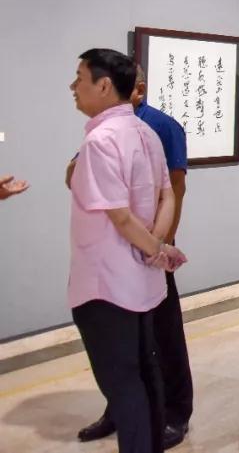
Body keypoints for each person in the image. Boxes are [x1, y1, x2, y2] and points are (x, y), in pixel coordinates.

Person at [67, 48, 187, 453]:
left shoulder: (102, 140)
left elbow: (119, 216)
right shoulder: (144, 132)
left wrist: (156, 248)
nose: (73, 86)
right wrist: (158, 247)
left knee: (123, 381)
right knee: (146, 372)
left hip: (107, 284)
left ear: (103, 86)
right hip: (141, 277)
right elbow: (167, 195)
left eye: (80, 78)